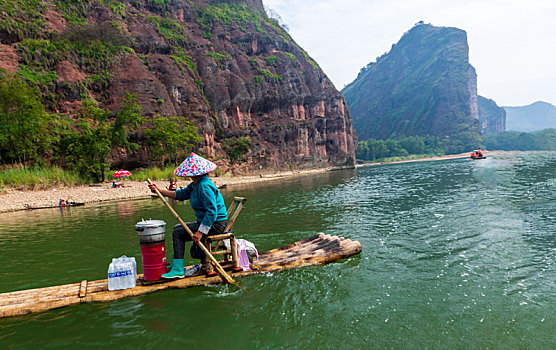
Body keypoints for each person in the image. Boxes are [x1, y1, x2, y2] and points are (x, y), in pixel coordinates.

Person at [148, 153, 227, 279]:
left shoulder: (204, 186)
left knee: (178, 232)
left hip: (216, 224)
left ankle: (178, 269)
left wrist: (200, 232)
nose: (189, 175)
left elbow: (212, 211)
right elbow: (180, 194)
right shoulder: (195, 184)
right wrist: (160, 191)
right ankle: (176, 266)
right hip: (208, 222)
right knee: (177, 229)